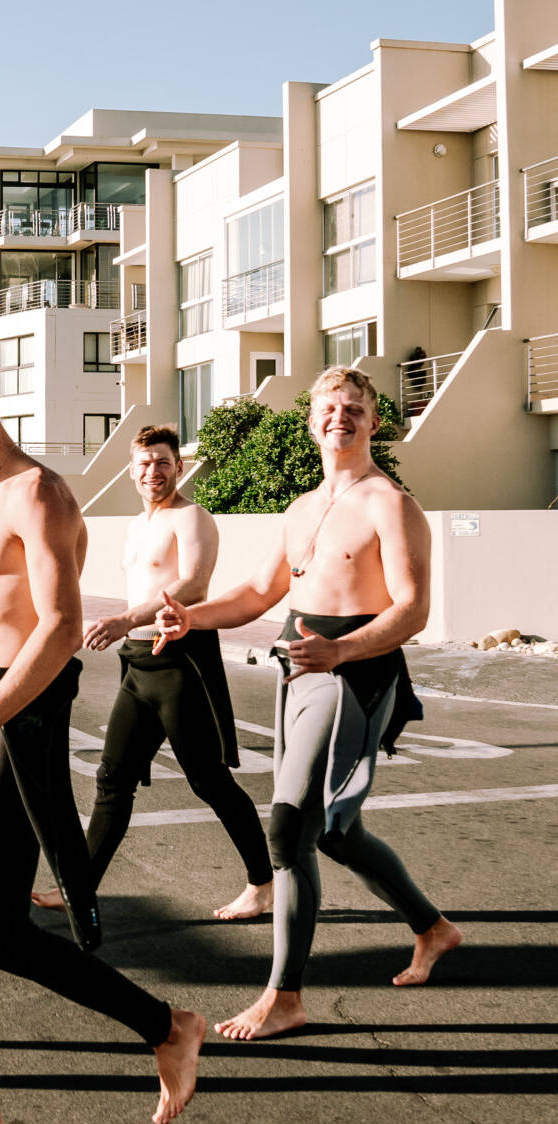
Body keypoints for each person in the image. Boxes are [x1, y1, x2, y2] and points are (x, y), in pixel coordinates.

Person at [0, 355, 205, 1124]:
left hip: (7, 724)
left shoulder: (40, 494)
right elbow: (6, 613)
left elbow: (58, 628)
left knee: (1, 933)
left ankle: (166, 1025)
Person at [155, 366, 461, 1040]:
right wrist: (192, 618)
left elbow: (412, 608)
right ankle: (432, 928)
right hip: (300, 661)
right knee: (332, 830)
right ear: (311, 421)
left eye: (353, 409)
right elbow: (260, 593)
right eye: (328, 409)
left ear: (372, 421)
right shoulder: (300, 507)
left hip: (356, 668)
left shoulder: (390, 502)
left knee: (289, 826)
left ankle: (284, 995)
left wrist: (344, 652)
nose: (339, 419)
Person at [32, 424, 273, 921]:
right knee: (112, 778)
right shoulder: (134, 526)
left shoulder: (193, 518)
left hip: (181, 660)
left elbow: (194, 584)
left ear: (178, 466)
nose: (153, 472)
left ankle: (262, 884)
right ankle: (81, 888)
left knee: (209, 780)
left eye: (162, 462)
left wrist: (125, 620)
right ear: (131, 471)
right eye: (143, 464)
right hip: (137, 665)